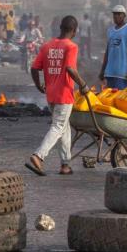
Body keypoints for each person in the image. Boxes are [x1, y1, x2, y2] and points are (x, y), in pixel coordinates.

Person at [25, 15, 87, 176]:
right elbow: (70, 69)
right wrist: (83, 85)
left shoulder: (47, 46)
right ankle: (39, 155)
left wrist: (38, 85)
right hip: (64, 95)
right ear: (74, 31)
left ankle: (65, 165)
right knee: (58, 126)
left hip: (51, 94)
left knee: (64, 128)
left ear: (60, 28)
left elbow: (34, 68)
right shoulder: (71, 47)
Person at [99, 6, 127, 90]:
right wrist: (102, 70)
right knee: (109, 97)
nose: (116, 16)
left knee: (120, 96)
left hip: (122, 74)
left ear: (124, 15)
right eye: (114, 14)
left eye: (119, 14)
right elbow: (107, 52)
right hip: (109, 73)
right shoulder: (110, 31)